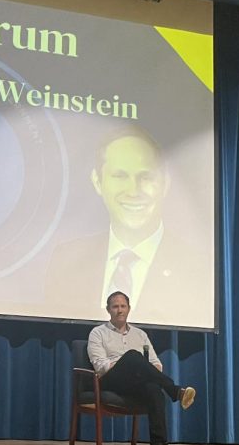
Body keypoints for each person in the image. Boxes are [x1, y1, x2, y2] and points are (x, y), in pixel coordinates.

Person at [45, 127, 201, 321]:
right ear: (97, 182)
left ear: (165, 184)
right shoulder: (66, 261)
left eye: (146, 177)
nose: (133, 190)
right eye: (119, 176)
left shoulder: (198, 268)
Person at [86, 290, 195, 445]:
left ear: (129, 309)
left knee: (153, 389)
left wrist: (140, 369)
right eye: (115, 307)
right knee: (132, 356)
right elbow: (100, 365)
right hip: (110, 381)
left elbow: (156, 364)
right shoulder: (98, 333)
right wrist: (129, 365)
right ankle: (175, 391)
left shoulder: (140, 334)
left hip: (135, 383)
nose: (119, 310)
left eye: (123, 306)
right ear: (108, 310)